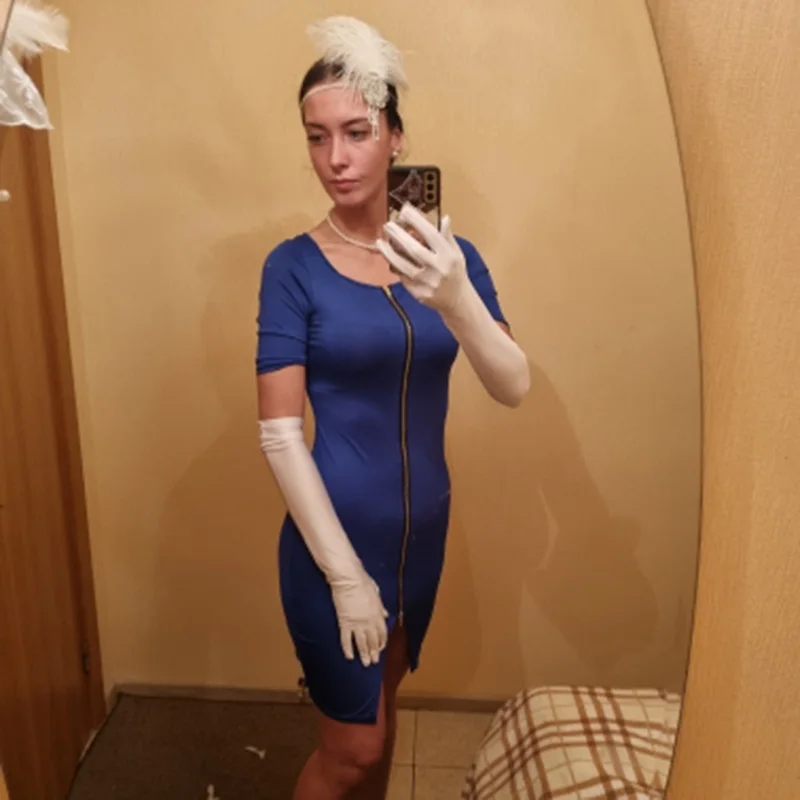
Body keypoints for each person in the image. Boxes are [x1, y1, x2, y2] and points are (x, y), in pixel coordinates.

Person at [255, 16, 531, 799]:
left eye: (356, 132)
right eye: (317, 138)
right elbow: (279, 435)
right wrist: (344, 576)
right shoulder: (293, 268)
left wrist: (457, 298)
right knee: (351, 748)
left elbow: (513, 385)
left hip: (422, 540)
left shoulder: (450, 259)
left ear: (396, 138)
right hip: (333, 543)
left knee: (383, 718)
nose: (335, 159)